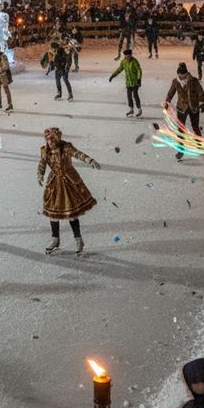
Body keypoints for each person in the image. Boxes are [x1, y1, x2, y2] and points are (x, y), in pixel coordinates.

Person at [38, 126, 99, 255]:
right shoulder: (45, 151)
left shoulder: (66, 148)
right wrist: (40, 175)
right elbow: (42, 163)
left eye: (53, 140)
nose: (50, 142)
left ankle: (78, 239)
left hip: (69, 181)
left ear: (57, 139)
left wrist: (90, 160)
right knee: (52, 212)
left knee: (71, 213)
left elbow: (78, 154)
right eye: (48, 140)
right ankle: (55, 239)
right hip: (54, 183)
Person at [165, 63, 204, 162]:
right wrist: (167, 102)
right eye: (180, 74)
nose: (181, 76)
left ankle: (200, 146)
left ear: (186, 73)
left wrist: (202, 103)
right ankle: (181, 150)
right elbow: (171, 93)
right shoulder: (175, 82)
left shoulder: (193, 81)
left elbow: (200, 92)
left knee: (195, 127)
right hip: (182, 107)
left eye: (183, 74)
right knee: (181, 130)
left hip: (193, 106)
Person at [109, 48, 143, 117]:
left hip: (135, 82)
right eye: (127, 56)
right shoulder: (123, 62)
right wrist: (113, 76)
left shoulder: (134, 61)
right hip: (128, 82)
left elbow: (139, 70)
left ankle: (139, 109)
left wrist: (139, 79)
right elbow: (119, 69)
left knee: (135, 95)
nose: (128, 57)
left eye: (130, 55)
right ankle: (131, 109)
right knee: (129, 96)